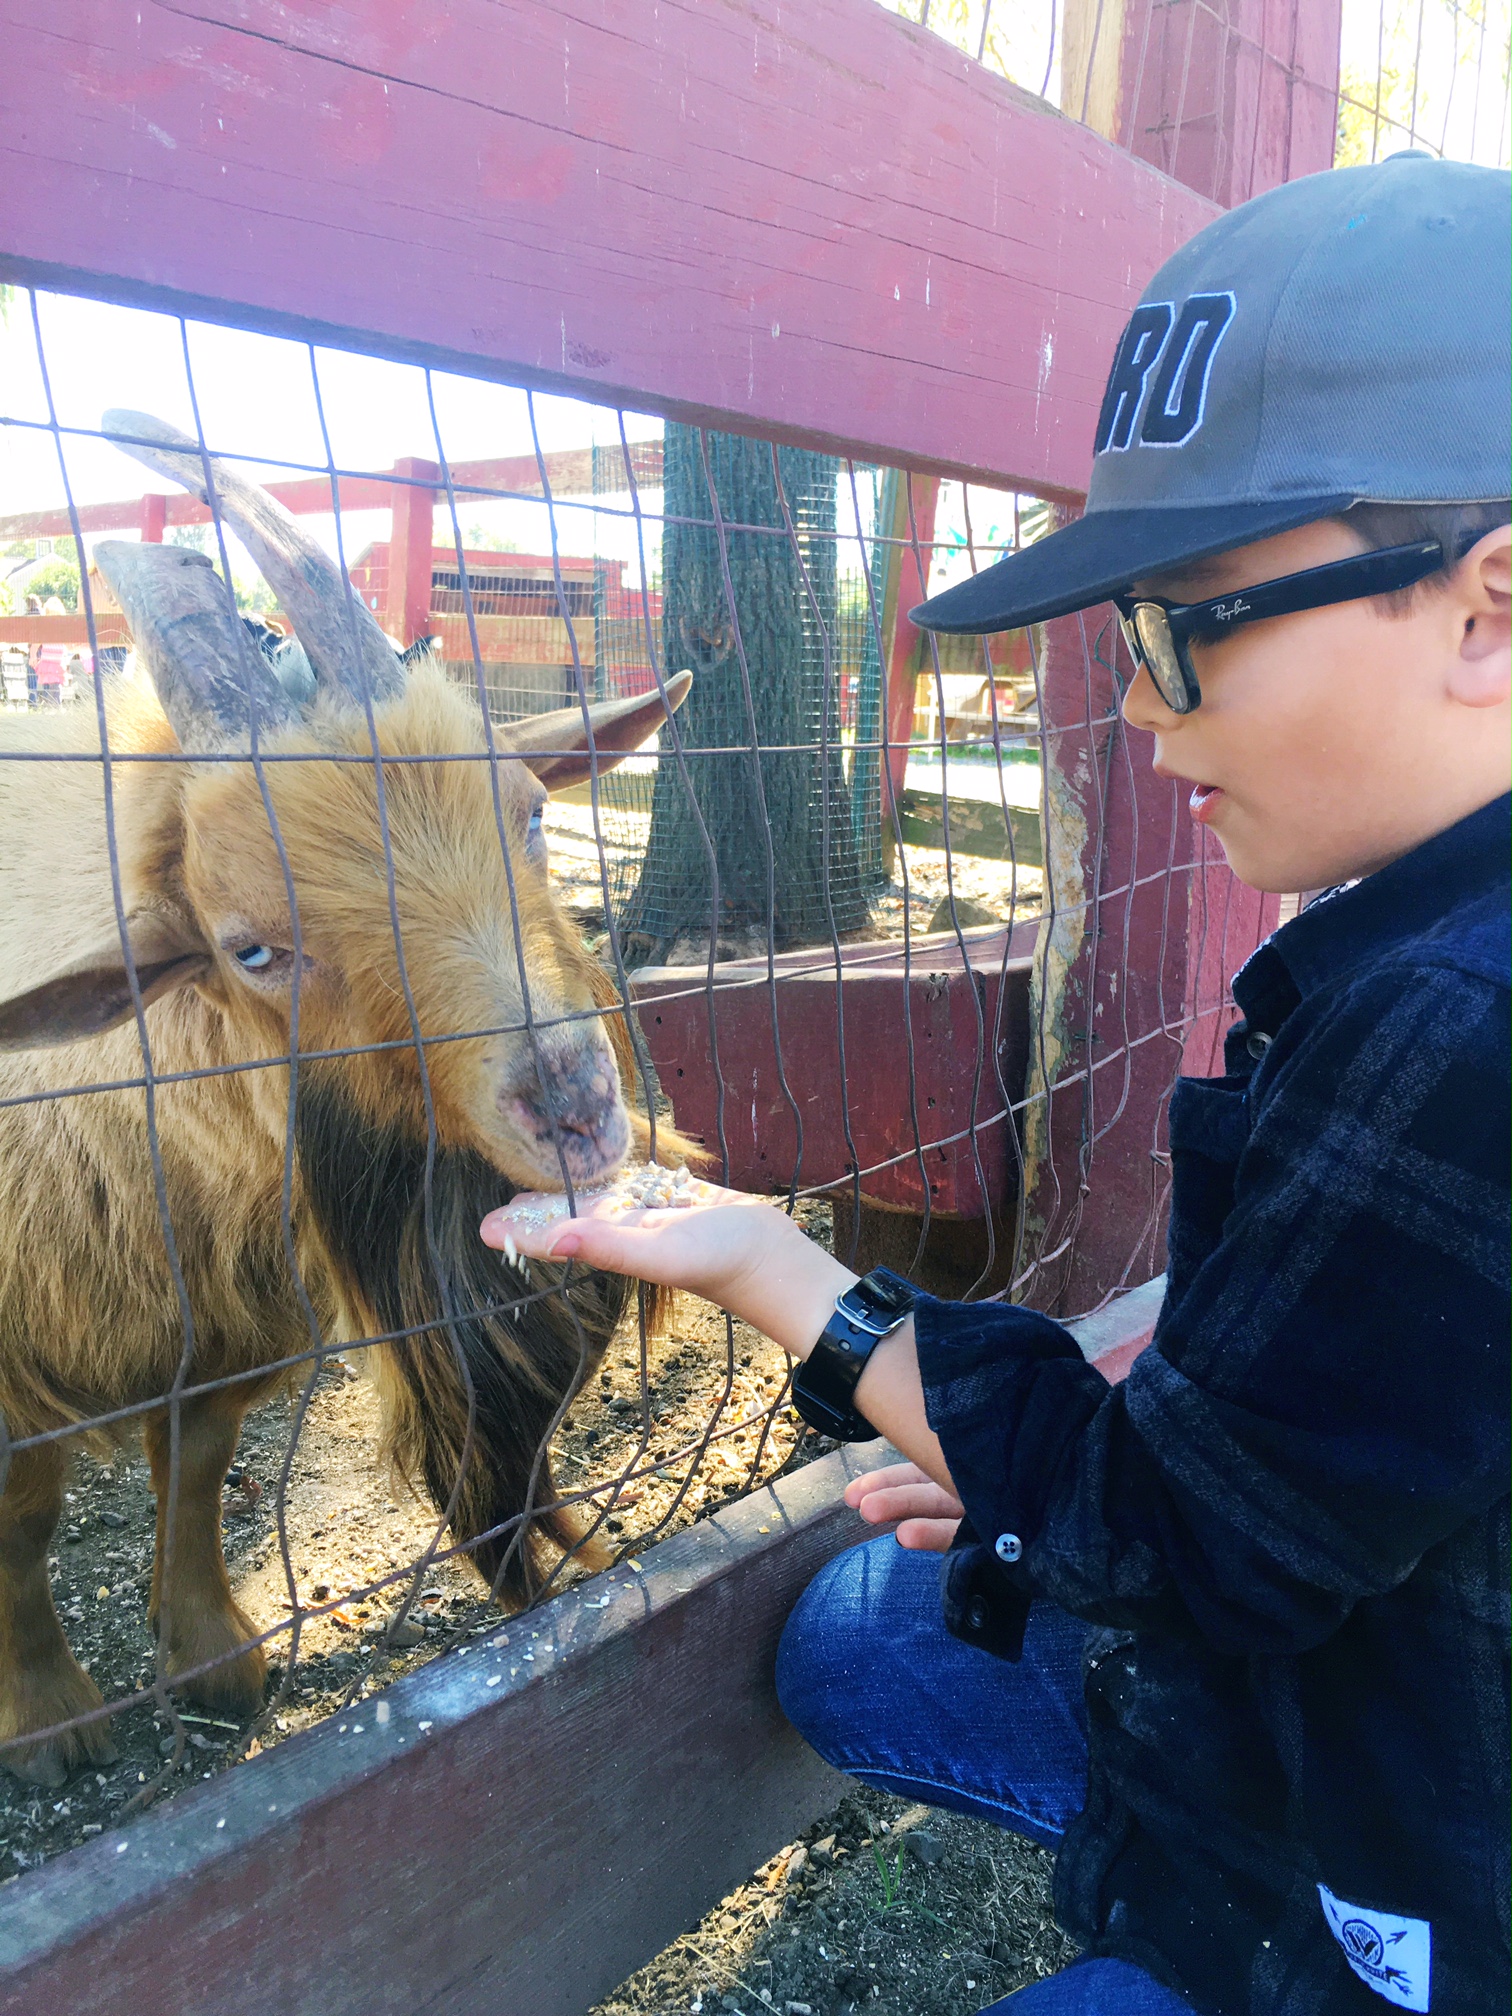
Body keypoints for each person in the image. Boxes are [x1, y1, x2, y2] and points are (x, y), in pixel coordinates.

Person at [483, 152, 1512, 2013]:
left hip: (1427, 1892)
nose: (1133, 708)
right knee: (876, 1632)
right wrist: (1096, 1483)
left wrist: (779, 1274)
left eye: (1177, 626)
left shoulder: (1454, 1025)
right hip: (1412, 1656)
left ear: (1491, 608)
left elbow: (1186, 1548)